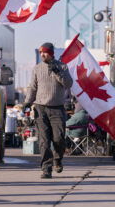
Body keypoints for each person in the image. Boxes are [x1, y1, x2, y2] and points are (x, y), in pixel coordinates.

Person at [24, 42, 73, 179]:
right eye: (40, 53)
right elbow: (32, 87)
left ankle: (58, 159)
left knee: (58, 139)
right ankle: (46, 168)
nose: (42, 55)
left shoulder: (62, 66)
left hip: (57, 108)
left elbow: (68, 84)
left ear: (51, 53)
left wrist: (57, 72)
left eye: (44, 52)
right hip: (41, 108)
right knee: (44, 141)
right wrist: (27, 102)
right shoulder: (37, 69)